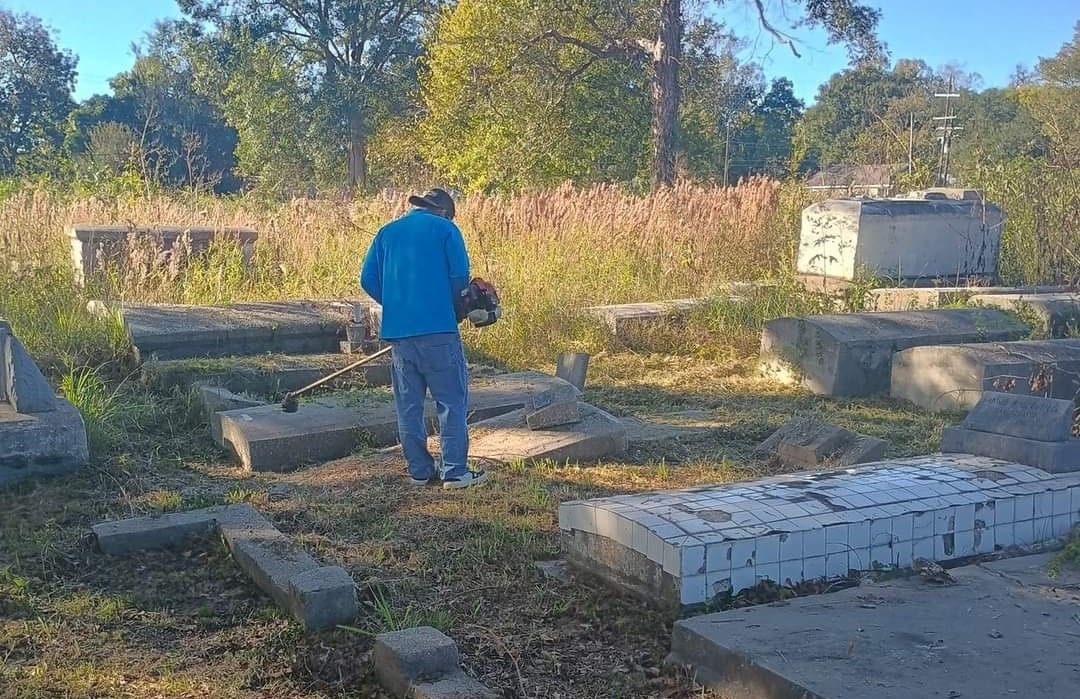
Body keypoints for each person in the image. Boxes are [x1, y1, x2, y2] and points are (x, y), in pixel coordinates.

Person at [359, 188, 488, 490]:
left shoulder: (386, 232)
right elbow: (459, 277)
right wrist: (458, 309)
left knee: (409, 406)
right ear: (444, 212)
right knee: (451, 401)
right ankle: (455, 471)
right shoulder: (446, 229)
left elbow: (367, 279)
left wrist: (397, 303)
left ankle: (419, 471)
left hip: (400, 335)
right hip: (438, 329)